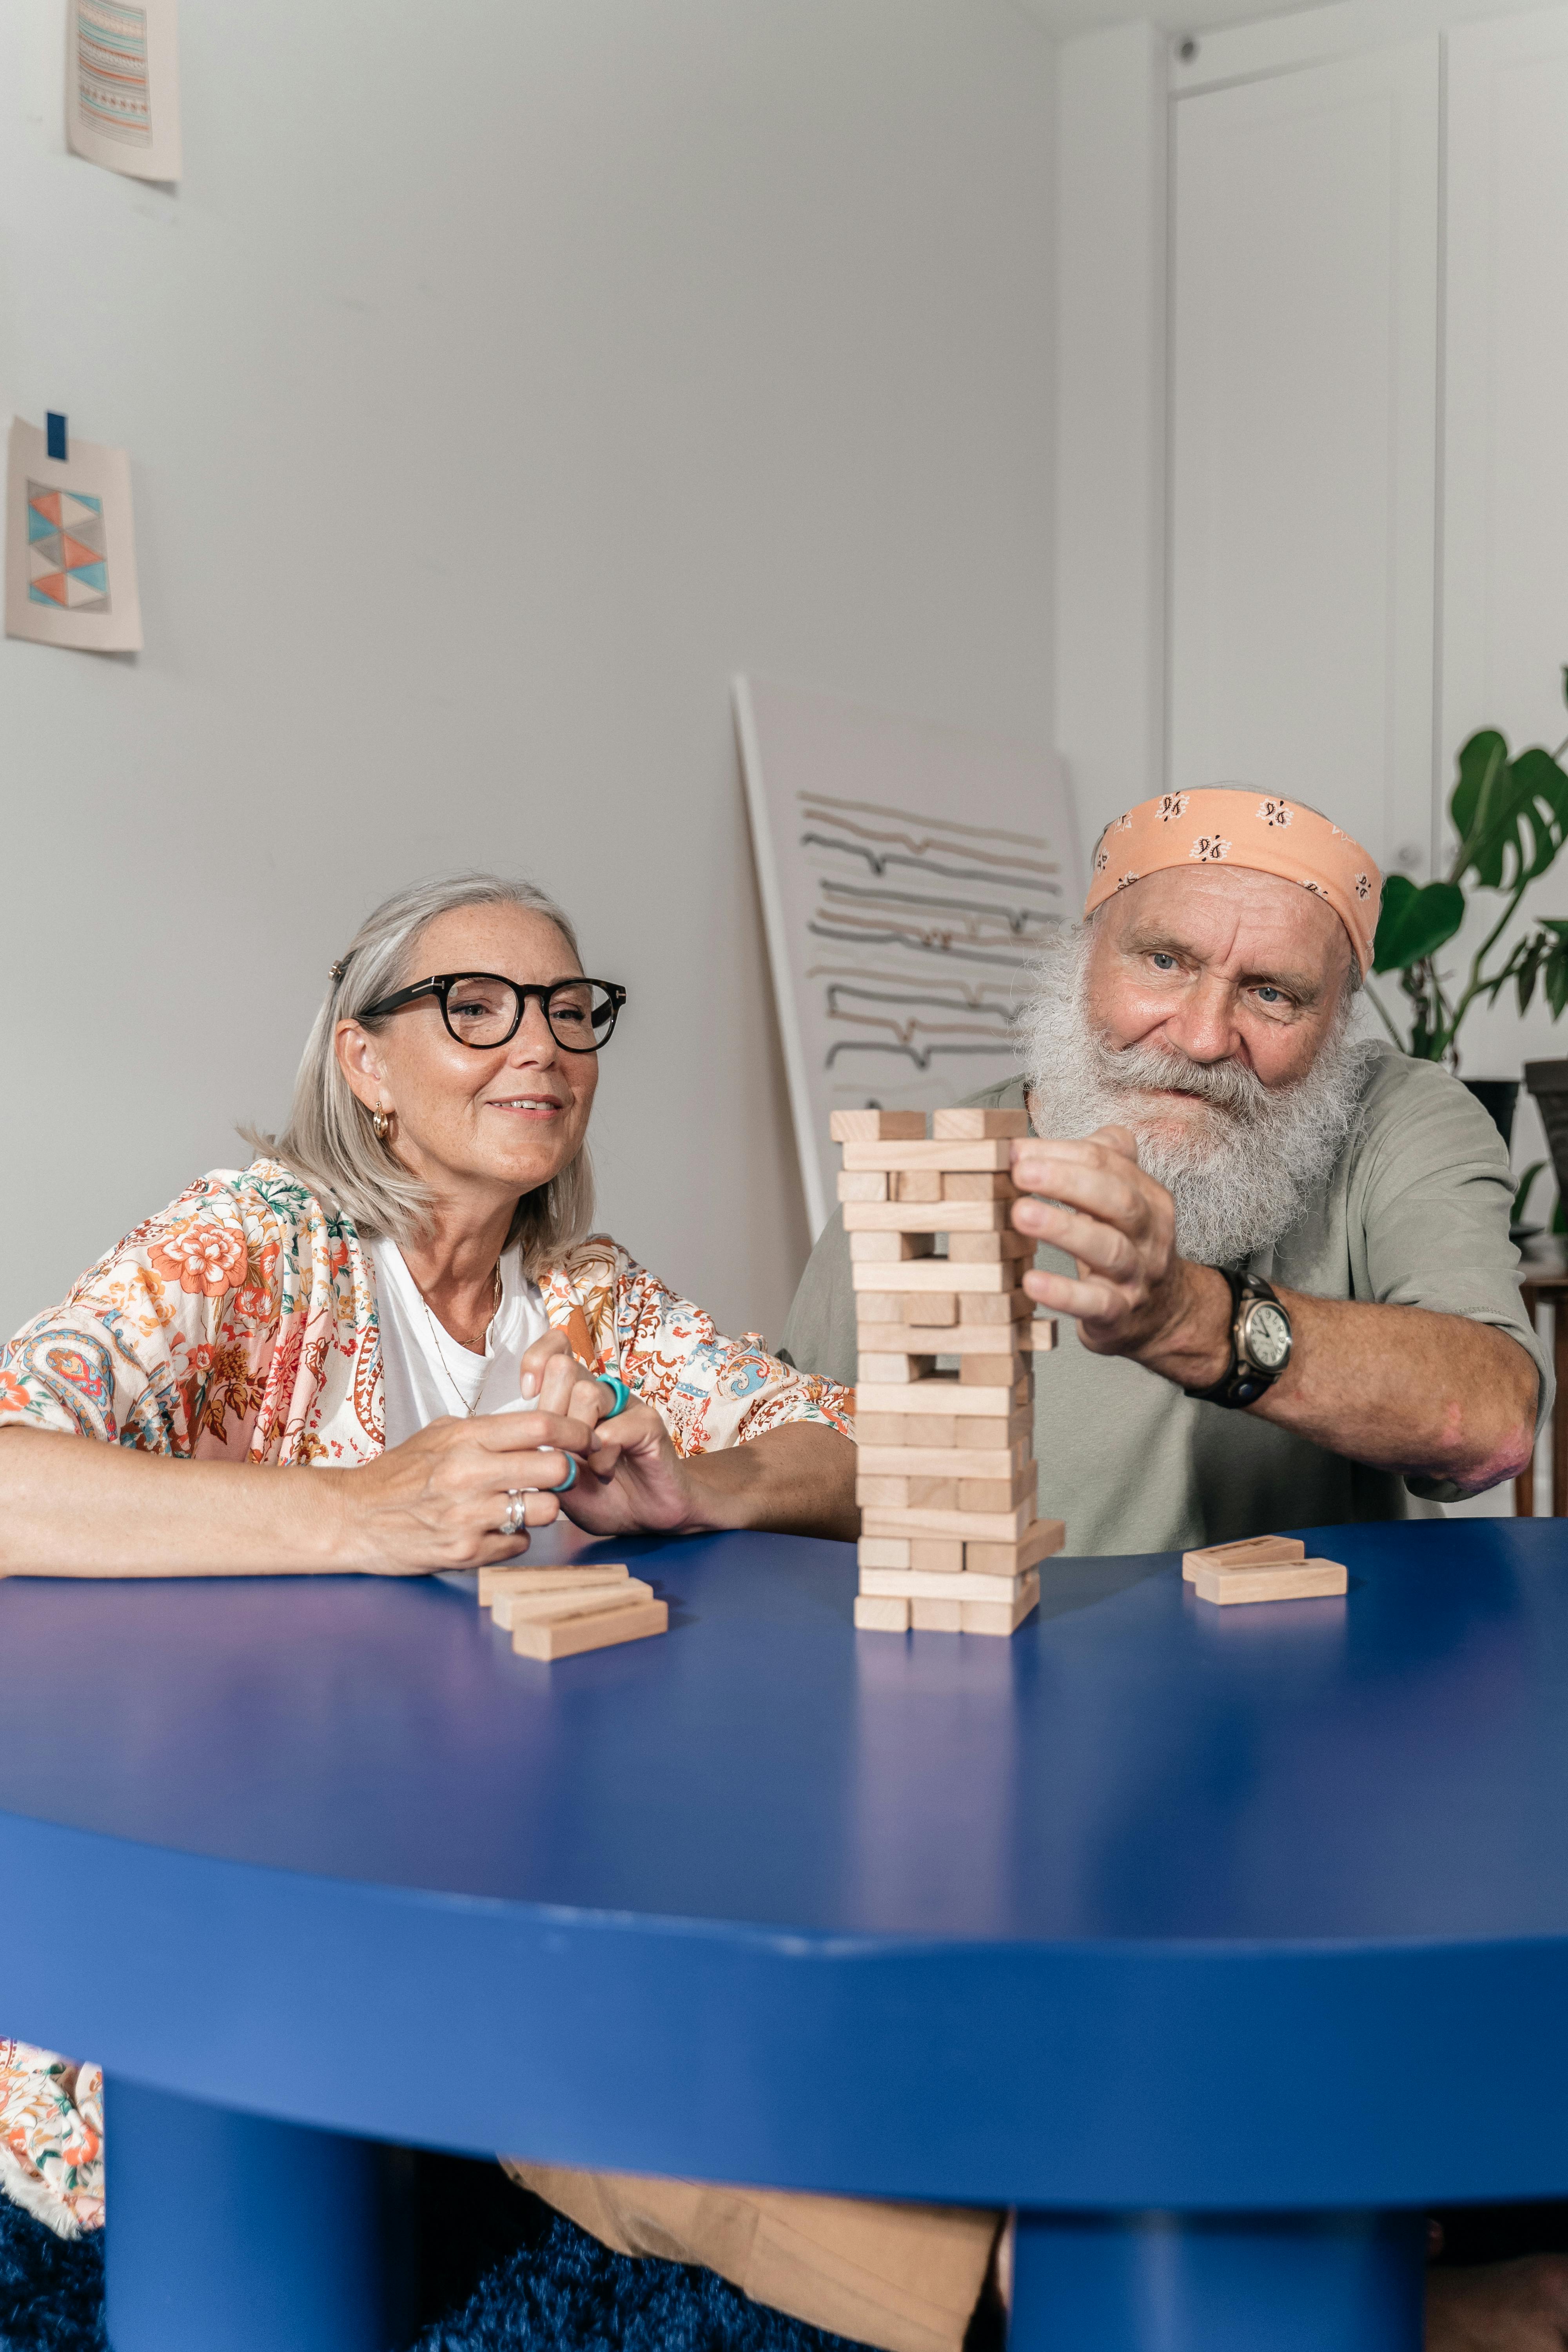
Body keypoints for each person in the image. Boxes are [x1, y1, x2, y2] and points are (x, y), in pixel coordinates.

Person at [0, 871, 855, 2240]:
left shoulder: (591, 1294)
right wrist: (357, 1511)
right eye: (478, 1009)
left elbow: (845, 1447)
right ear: (365, 1063)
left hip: (507, 1841)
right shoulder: (254, 1238)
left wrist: (698, 1487)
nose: (543, 1047)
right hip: (228, 1855)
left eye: (572, 1015)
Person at [782, 786, 1547, 1546]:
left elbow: (1491, 1423)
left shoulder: (1394, 1117)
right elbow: (812, 1455)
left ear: (1334, 1029)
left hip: (1296, 1664)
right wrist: (711, 1476)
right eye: (1162, 961)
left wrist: (1190, 1317)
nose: (1205, 1036)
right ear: (1080, 962)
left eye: (1271, 993)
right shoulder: (926, 1172)